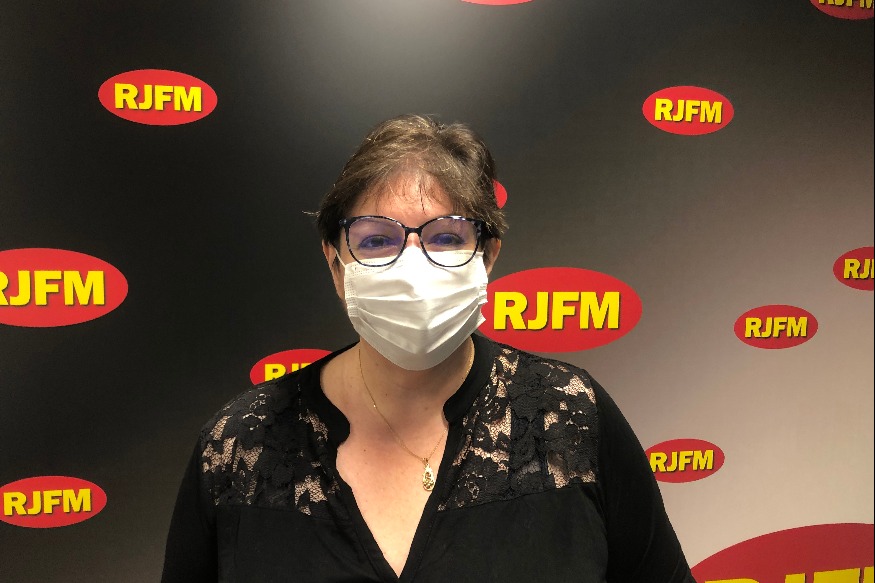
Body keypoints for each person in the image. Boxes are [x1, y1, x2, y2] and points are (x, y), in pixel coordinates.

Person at [161, 114, 696, 582]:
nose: (413, 269)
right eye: (377, 240)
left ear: (487, 257)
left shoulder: (571, 418)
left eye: (445, 238)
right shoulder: (239, 446)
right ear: (335, 264)